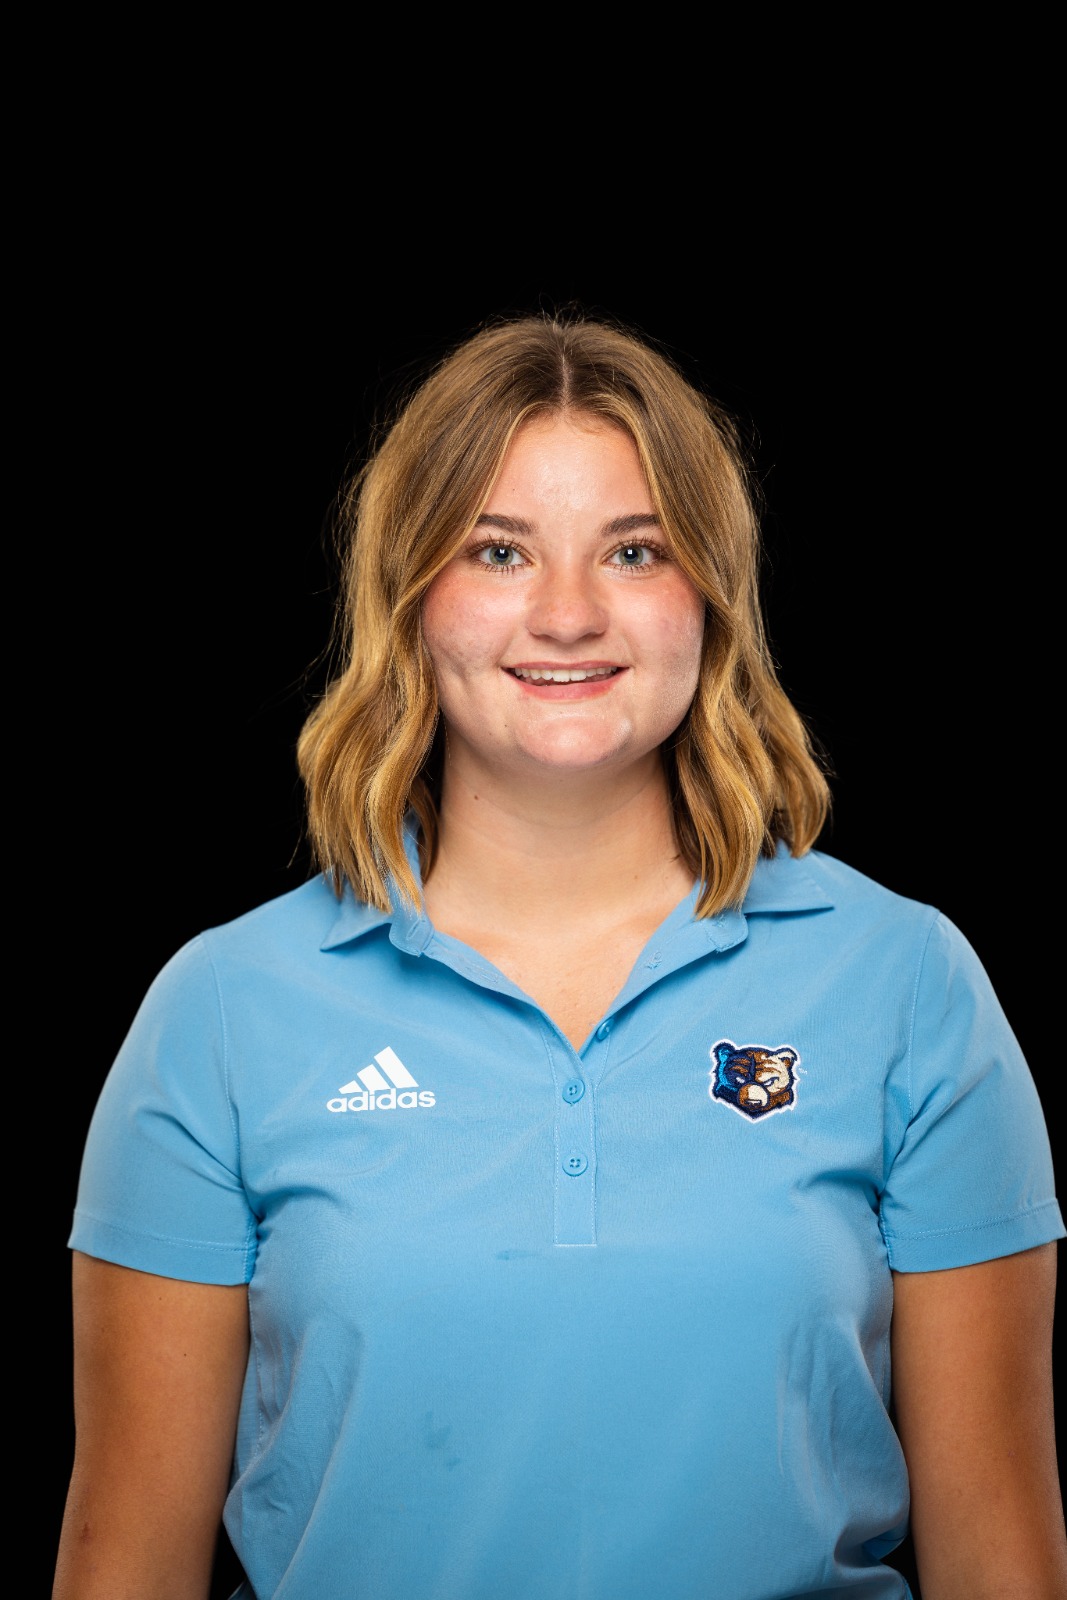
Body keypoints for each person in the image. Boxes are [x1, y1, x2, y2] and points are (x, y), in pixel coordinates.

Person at [53, 311, 1066, 1600]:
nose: (570, 614)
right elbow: (122, 1568)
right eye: (500, 551)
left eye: (633, 551)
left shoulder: (906, 984)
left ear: (710, 591)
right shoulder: (224, 1013)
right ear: (413, 596)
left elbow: (1004, 1566)